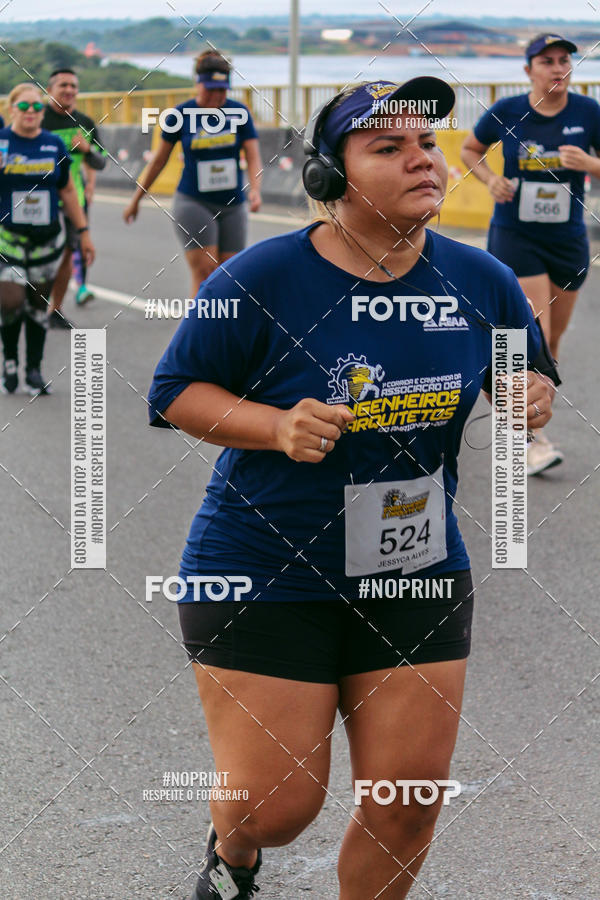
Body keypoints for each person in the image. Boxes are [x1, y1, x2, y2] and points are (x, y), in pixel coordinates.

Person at [148, 79, 557, 900]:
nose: (422, 161)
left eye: (427, 145)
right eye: (387, 148)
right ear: (332, 178)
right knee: (278, 807)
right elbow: (175, 391)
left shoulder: (482, 281)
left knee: (408, 804)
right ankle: (234, 851)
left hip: (415, 565)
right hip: (264, 566)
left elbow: (526, 373)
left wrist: (530, 393)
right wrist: (273, 426)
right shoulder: (258, 278)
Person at [461, 33, 600, 475]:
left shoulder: (588, 112)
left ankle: (527, 415)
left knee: (551, 343)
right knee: (532, 332)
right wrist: (490, 181)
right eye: (547, 61)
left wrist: (591, 166)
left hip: (567, 237)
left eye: (564, 61)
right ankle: (532, 439)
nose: (558, 68)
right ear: (528, 71)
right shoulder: (507, 111)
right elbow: (470, 150)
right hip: (515, 234)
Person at [124, 51, 262, 295]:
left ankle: (223, 331)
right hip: (194, 202)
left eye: (222, 90)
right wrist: (136, 200)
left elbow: (252, 155)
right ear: (197, 83)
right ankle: (197, 331)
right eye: (210, 89)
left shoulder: (239, 113)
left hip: (232, 203)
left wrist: (255, 190)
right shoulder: (180, 115)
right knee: (206, 272)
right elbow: (158, 161)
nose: (217, 96)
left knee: (231, 275)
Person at [0, 83, 94, 395]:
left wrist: (83, 232)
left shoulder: (53, 144)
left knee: (38, 306)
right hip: (8, 239)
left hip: (46, 240)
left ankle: (34, 370)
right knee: (11, 300)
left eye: (37, 107)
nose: (30, 112)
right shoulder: (2, 143)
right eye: (24, 106)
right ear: (11, 109)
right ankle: (10, 361)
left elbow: (67, 189)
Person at [42, 67, 106, 329]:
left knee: (68, 254)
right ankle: (30, 303)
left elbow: (101, 162)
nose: (69, 90)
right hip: (41, 200)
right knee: (40, 256)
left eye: (73, 86)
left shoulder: (85, 122)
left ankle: (54, 309)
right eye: (63, 86)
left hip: (73, 200)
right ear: (50, 90)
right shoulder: (38, 118)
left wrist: (88, 149)